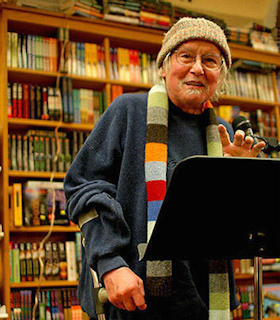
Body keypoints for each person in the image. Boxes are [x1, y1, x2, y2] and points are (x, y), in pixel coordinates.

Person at [64, 17, 265, 320]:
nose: (198, 68)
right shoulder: (127, 111)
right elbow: (82, 189)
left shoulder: (225, 134)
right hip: (133, 297)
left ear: (219, 75)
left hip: (204, 300)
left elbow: (235, 232)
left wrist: (240, 182)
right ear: (164, 65)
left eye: (210, 60)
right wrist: (110, 264)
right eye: (186, 56)